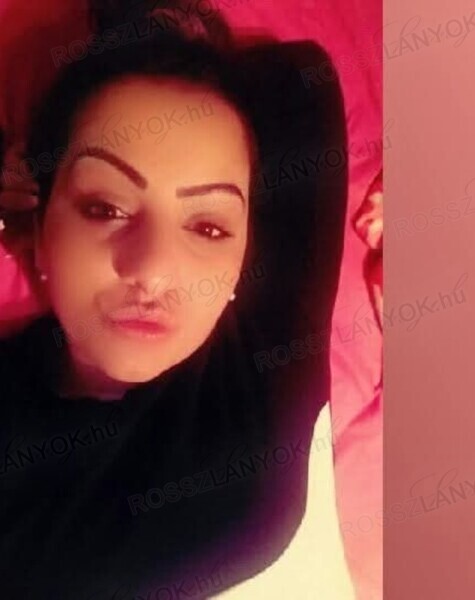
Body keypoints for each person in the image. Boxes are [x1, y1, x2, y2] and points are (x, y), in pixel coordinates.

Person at [0, 3, 348, 598]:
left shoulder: (262, 359)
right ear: (40, 233)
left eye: (209, 227)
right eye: (105, 208)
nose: (154, 272)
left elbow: (298, 82)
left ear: (244, 258)